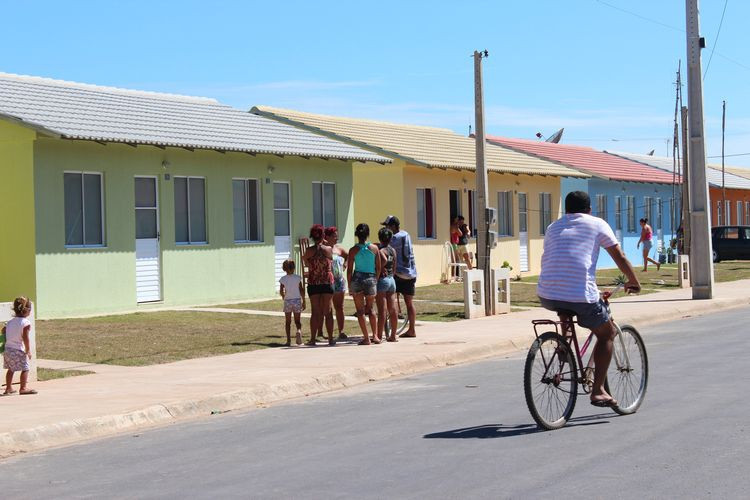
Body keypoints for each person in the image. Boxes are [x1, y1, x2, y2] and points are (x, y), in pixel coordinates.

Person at [537, 191, 640, 408]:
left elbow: (561, 258)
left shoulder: (553, 226)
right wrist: (633, 280)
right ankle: (598, 391)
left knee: (566, 304)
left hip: (547, 293)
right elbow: (619, 256)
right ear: (589, 210)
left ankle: (563, 346)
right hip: (579, 295)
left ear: (566, 210)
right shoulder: (597, 224)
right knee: (607, 334)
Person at [382, 215, 417, 338]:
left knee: (391, 301)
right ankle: (412, 329)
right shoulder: (406, 234)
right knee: (409, 303)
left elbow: (383, 244)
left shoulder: (394, 238)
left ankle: (392, 331)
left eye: (387, 226)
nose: (386, 229)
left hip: (399, 273)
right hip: (411, 273)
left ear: (392, 226)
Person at [347, 223, 381, 345]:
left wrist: (350, 285)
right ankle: (375, 336)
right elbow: (378, 267)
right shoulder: (375, 249)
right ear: (368, 234)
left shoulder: (353, 250)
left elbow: (350, 270)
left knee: (360, 310)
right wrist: (375, 280)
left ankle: (366, 338)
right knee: (371, 309)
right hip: (371, 279)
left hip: (357, 279)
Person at [302, 224, 335, 346]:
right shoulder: (328, 249)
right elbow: (331, 258)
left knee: (315, 312)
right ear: (323, 236)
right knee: (328, 311)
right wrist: (325, 243)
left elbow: (306, 262)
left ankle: (312, 339)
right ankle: (331, 339)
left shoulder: (309, 251)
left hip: (314, 282)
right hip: (327, 282)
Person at [2, 297, 37, 396]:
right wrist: (28, 350)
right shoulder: (26, 323)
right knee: (25, 368)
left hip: (8, 350)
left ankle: (8, 389)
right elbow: (25, 338)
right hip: (18, 350)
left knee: (11, 369)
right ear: (27, 310)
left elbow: (4, 331)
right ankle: (23, 388)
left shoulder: (10, 322)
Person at [325, 226, 349, 340]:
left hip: (339, 281)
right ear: (327, 237)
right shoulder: (324, 249)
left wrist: (345, 264)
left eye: (337, 235)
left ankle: (341, 331)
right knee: (327, 308)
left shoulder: (338, 248)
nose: (336, 238)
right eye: (334, 236)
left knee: (339, 307)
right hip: (328, 281)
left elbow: (348, 256)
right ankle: (324, 333)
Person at [376, 227, 399, 343]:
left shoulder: (381, 251)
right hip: (391, 280)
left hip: (382, 280)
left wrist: (379, 271)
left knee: (382, 310)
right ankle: (393, 335)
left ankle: (379, 336)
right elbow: (395, 266)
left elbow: (383, 260)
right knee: (392, 308)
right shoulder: (393, 250)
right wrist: (391, 274)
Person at [279, 259, 305, 347]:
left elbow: (281, 291)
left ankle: (288, 340)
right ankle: (298, 331)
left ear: (284, 268)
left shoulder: (283, 279)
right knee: (297, 321)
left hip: (288, 301)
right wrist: (304, 301)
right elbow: (301, 290)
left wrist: (283, 296)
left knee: (288, 322)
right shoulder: (297, 278)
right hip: (297, 300)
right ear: (293, 268)